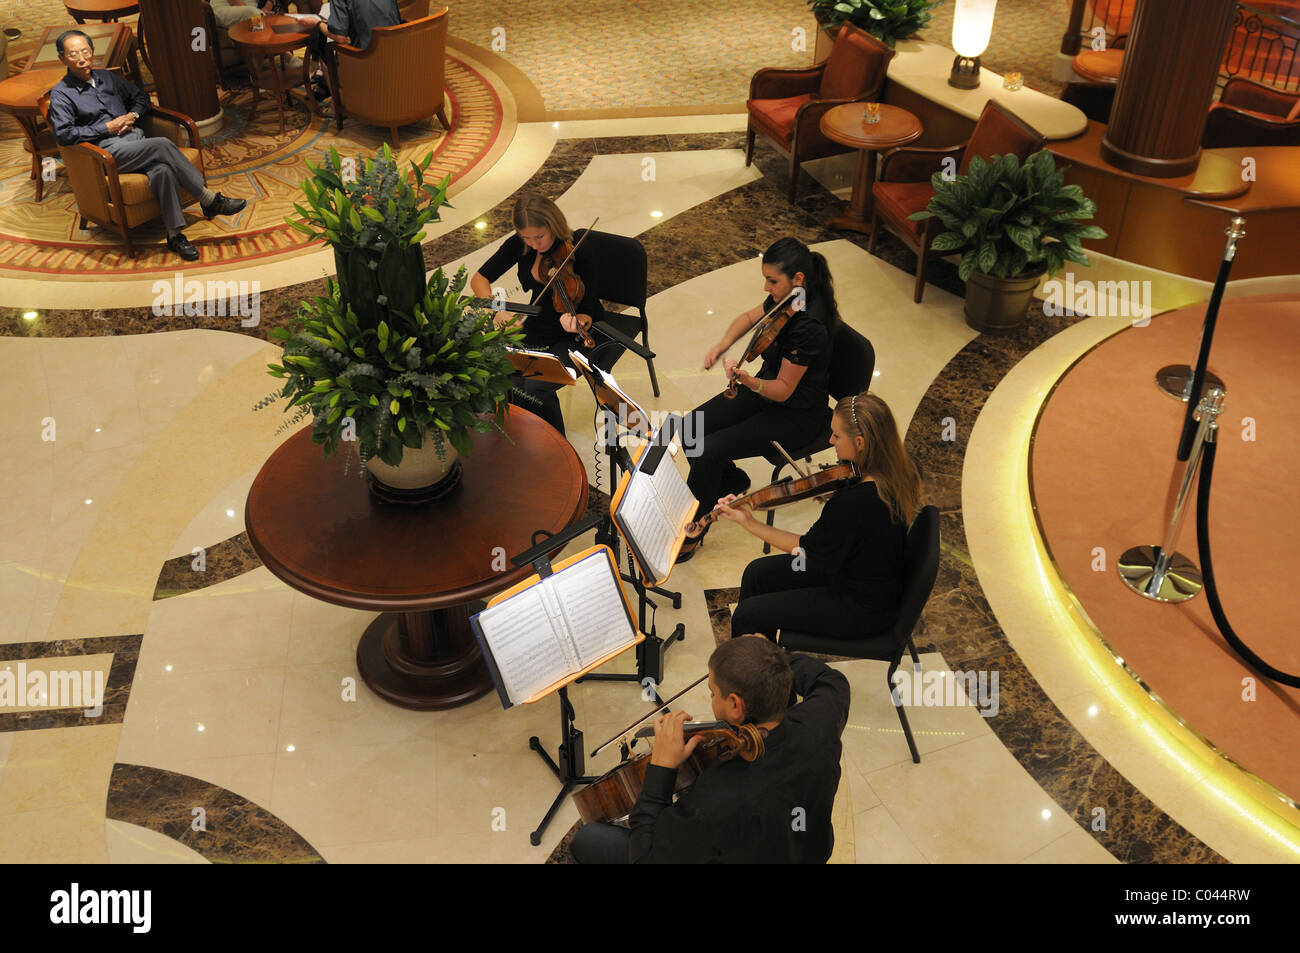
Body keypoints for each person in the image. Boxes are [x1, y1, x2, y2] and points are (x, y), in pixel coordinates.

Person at [569, 634, 850, 863]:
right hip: (807, 851)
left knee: (587, 839)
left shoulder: (716, 800)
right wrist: (773, 662)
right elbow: (833, 681)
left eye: (713, 692)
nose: (711, 698)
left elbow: (647, 858)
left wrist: (661, 769)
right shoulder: (820, 724)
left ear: (736, 706)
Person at [676, 237, 839, 562]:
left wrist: (749, 380)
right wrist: (722, 344)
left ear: (798, 279)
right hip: (766, 392)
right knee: (690, 428)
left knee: (708, 450)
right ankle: (730, 480)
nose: (766, 287)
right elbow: (748, 318)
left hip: (796, 416)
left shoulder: (809, 325)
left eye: (772, 280)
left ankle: (695, 526)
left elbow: (783, 390)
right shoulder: (788, 299)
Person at [716, 392, 922, 642]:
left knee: (747, 615)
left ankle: (758, 675)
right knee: (757, 574)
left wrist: (749, 522)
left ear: (860, 443)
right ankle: (763, 659)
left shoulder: (856, 502)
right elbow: (862, 526)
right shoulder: (902, 470)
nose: (830, 440)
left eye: (837, 435)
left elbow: (805, 550)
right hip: (861, 571)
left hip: (859, 607)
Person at [46, 30, 246, 262]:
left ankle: (175, 235)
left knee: (163, 170)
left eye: (85, 52)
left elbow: (141, 98)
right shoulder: (62, 94)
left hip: (136, 141)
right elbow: (63, 134)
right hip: (106, 151)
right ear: (63, 59)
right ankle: (208, 199)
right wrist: (107, 128)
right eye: (73, 54)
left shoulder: (107, 78)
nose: (81, 58)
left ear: (92, 53)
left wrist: (132, 114)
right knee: (161, 145)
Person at [469, 194, 636, 435]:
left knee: (537, 388)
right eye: (527, 237)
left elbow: (588, 309)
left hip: (579, 334)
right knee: (505, 375)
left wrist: (577, 322)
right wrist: (496, 309)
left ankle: (558, 445)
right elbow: (479, 279)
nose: (534, 244)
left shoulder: (579, 249)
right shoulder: (521, 244)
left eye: (539, 236)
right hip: (537, 325)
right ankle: (522, 436)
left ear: (553, 225)